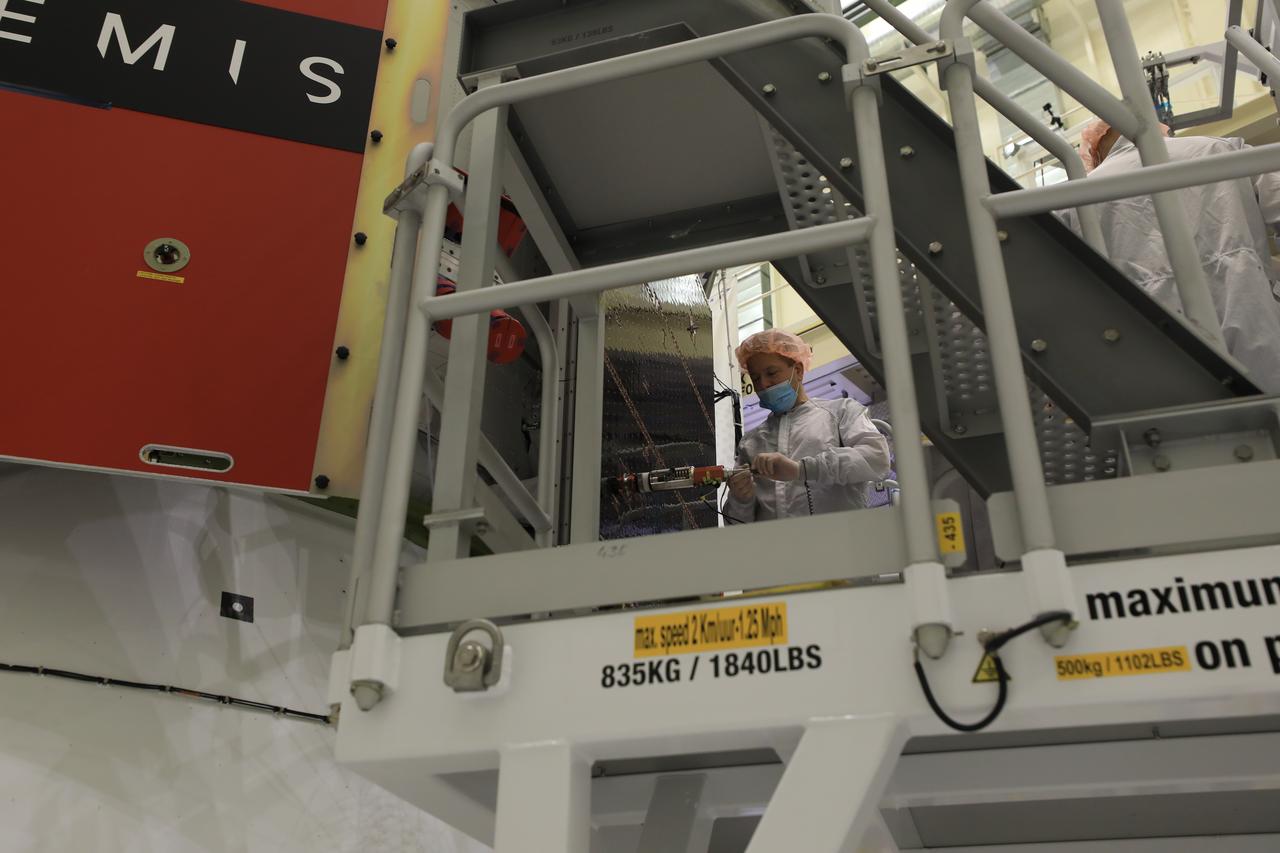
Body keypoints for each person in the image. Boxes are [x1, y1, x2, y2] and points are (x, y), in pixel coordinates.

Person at [1065, 119, 1280, 393]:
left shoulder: (1073, 199)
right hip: (1250, 320)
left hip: (1152, 349)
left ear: (1093, 152)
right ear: (1159, 128)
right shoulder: (1215, 149)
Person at [724, 329, 890, 522]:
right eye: (756, 378)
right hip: (777, 550)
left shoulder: (840, 412)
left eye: (771, 373)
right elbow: (737, 529)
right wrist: (741, 501)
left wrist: (801, 470)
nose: (764, 384)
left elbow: (876, 458)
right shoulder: (751, 443)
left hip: (840, 544)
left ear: (799, 371)